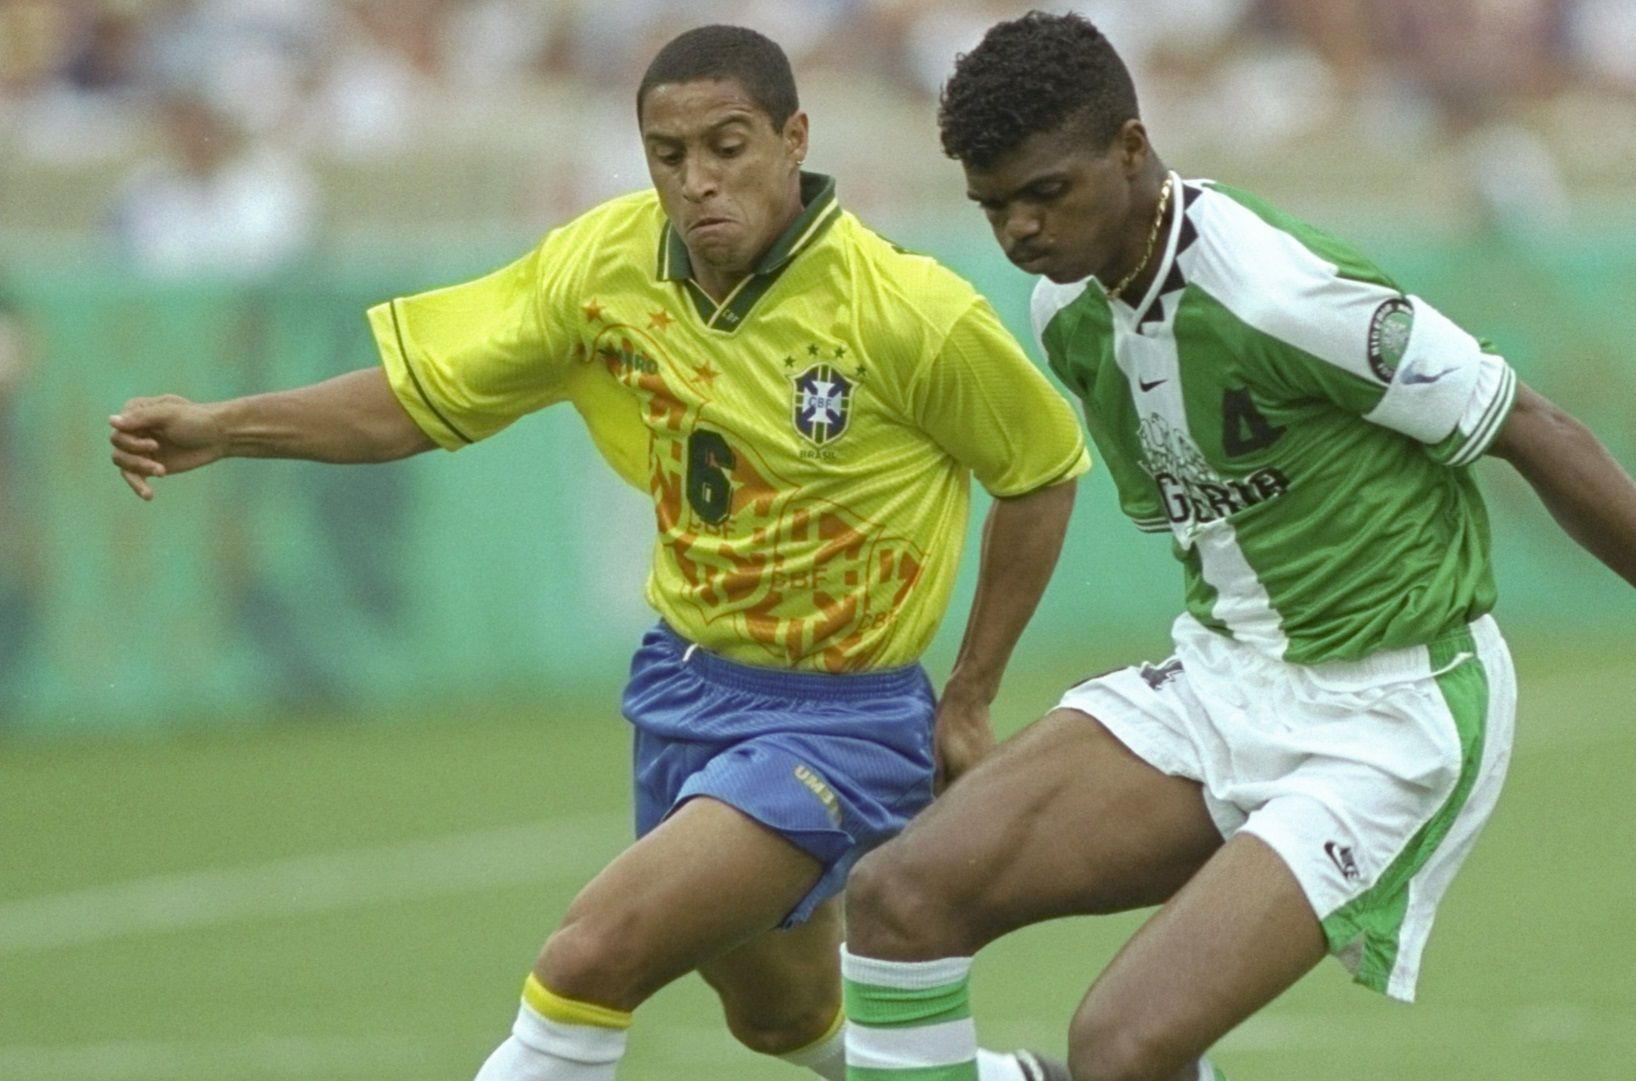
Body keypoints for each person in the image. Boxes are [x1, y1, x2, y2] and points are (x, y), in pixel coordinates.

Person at [837, 13, 1636, 1081]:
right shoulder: (1069, 310)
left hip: (1392, 710)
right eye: (994, 206)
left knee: (1120, 1047)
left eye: (1044, 193)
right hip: (1227, 677)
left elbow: (1535, 428)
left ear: (1128, 146)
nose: (1019, 228)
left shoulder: (1278, 290)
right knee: (897, 899)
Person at [107, 25, 1087, 1081]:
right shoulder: (605, 266)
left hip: (842, 720)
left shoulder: (908, 313)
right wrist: (229, 425)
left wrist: (970, 694)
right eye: (669, 157)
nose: (698, 181)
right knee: (783, 1016)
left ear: (793, 138)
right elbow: (421, 398)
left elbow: (1040, 469)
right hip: (684, 686)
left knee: (591, 956)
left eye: (728, 146)